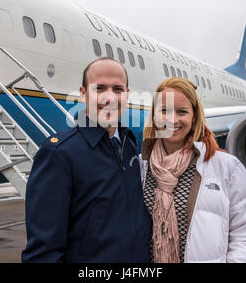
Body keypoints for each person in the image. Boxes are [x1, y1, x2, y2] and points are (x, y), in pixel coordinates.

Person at [22, 57, 151, 263]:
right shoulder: (59, 153)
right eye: (100, 88)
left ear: (127, 95)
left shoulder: (129, 145)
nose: (109, 98)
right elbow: (43, 254)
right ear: (83, 94)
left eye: (118, 89)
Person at [141, 77, 246, 263]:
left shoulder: (226, 166)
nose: (172, 119)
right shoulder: (142, 166)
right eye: (164, 111)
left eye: (182, 111)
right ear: (154, 116)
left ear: (194, 117)